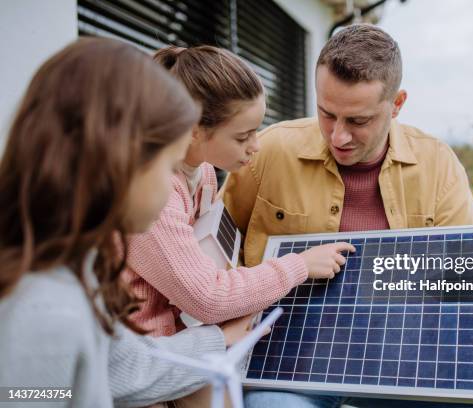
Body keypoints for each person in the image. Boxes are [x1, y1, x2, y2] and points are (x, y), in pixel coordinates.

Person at [222, 24, 473, 408]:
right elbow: (213, 252)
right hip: (289, 363)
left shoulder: (437, 165)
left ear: (397, 104)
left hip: (406, 360)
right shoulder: (268, 153)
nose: (338, 135)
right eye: (326, 113)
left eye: (358, 121)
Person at [0, 37, 251, 407]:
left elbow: (118, 368)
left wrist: (217, 340)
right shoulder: (46, 313)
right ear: (121, 165)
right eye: (168, 166)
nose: (173, 184)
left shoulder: (72, 268)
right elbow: (25, 397)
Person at [124, 45, 353, 336]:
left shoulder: (203, 171)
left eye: (257, 131)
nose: (255, 146)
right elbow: (207, 297)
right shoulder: (151, 193)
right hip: (140, 356)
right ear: (193, 129)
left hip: (175, 339)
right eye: (243, 136)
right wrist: (300, 265)